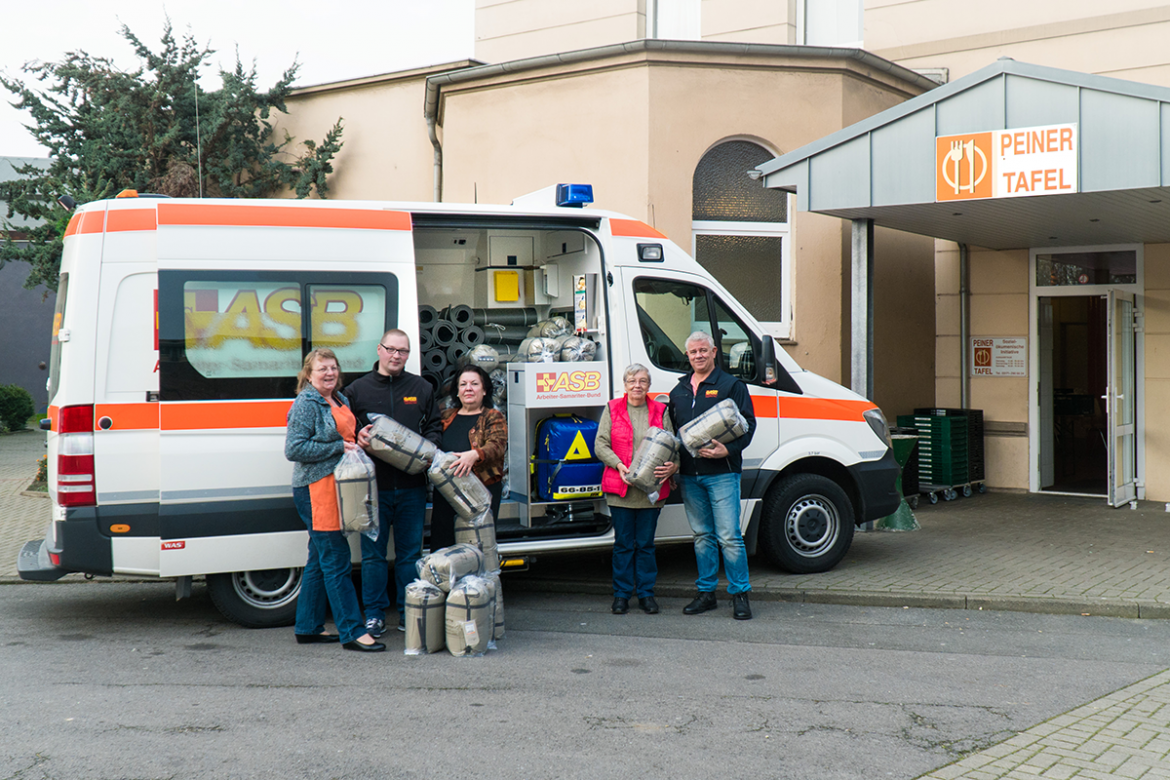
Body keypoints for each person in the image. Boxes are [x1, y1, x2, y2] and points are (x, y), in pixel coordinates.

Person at [285, 348, 385, 652]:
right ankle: (352, 631)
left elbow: (344, 435)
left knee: (319, 557)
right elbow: (295, 449)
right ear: (308, 374)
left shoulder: (338, 398)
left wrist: (358, 437)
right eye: (322, 369)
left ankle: (307, 627)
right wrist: (338, 448)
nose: (329, 373)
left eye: (333, 368)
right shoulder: (306, 403)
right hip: (316, 489)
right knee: (336, 559)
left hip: (336, 485)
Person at [348, 329, 442, 638]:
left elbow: (433, 426)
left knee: (409, 556)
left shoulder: (421, 387)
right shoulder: (357, 390)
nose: (396, 355)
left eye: (403, 351)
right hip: (372, 490)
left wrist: (428, 449)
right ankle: (374, 615)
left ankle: (408, 611)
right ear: (379, 349)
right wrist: (356, 438)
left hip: (412, 488)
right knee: (373, 557)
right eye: (391, 349)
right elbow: (346, 433)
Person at [668, 331, 756, 620]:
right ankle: (706, 594)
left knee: (729, 536)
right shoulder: (678, 390)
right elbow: (674, 435)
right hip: (690, 476)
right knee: (702, 536)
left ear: (714, 351)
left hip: (722, 473)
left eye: (703, 350)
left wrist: (727, 451)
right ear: (688, 355)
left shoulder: (732, 385)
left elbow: (749, 427)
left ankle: (739, 595)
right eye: (693, 352)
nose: (698, 356)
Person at [595, 363, 678, 615]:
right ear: (625, 384)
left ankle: (645, 594)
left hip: (650, 491)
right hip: (621, 488)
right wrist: (619, 465)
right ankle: (621, 595)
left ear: (649, 385)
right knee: (623, 544)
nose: (637, 386)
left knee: (645, 544)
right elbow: (600, 444)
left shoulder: (660, 410)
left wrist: (673, 468)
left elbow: (673, 445)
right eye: (632, 381)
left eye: (642, 381)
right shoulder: (612, 408)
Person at [429, 364, 508, 550]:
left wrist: (475, 455)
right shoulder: (446, 416)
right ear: (457, 391)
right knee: (443, 546)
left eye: (474, 383)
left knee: (476, 548)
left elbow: (497, 446)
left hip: (479, 492)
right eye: (463, 384)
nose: (468, 388)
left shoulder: (493, 416)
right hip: (447, 493)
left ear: (484, 389)